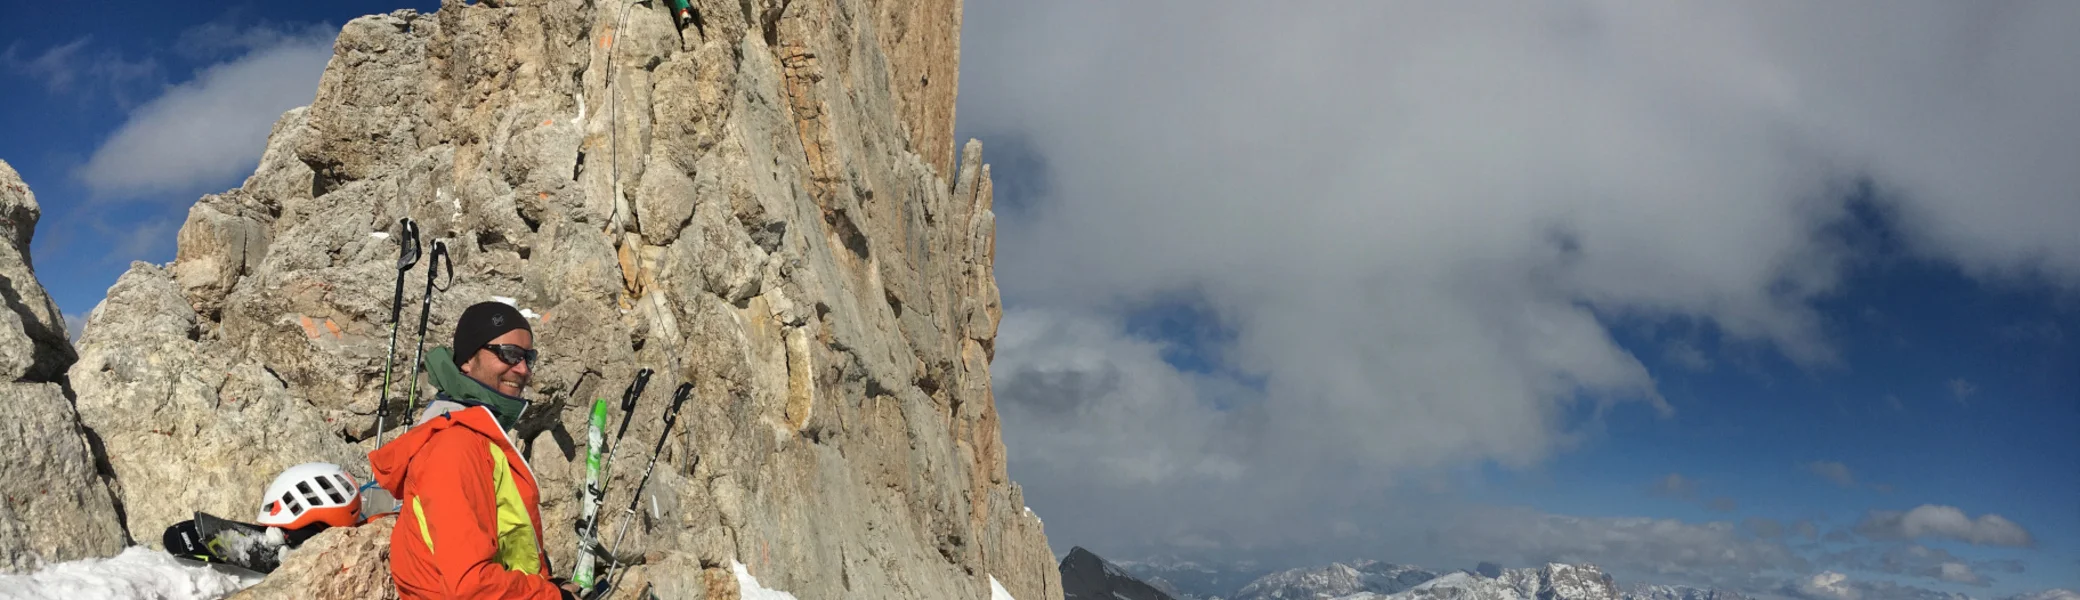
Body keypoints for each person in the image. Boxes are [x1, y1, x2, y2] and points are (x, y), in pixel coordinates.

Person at [371, 301, 578, 599]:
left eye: (528, 357)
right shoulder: (455, 446)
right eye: (509, 354)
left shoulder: (477, 436)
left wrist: (547, 588)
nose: (523, 369)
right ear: (468, 360)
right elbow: (470, 585)